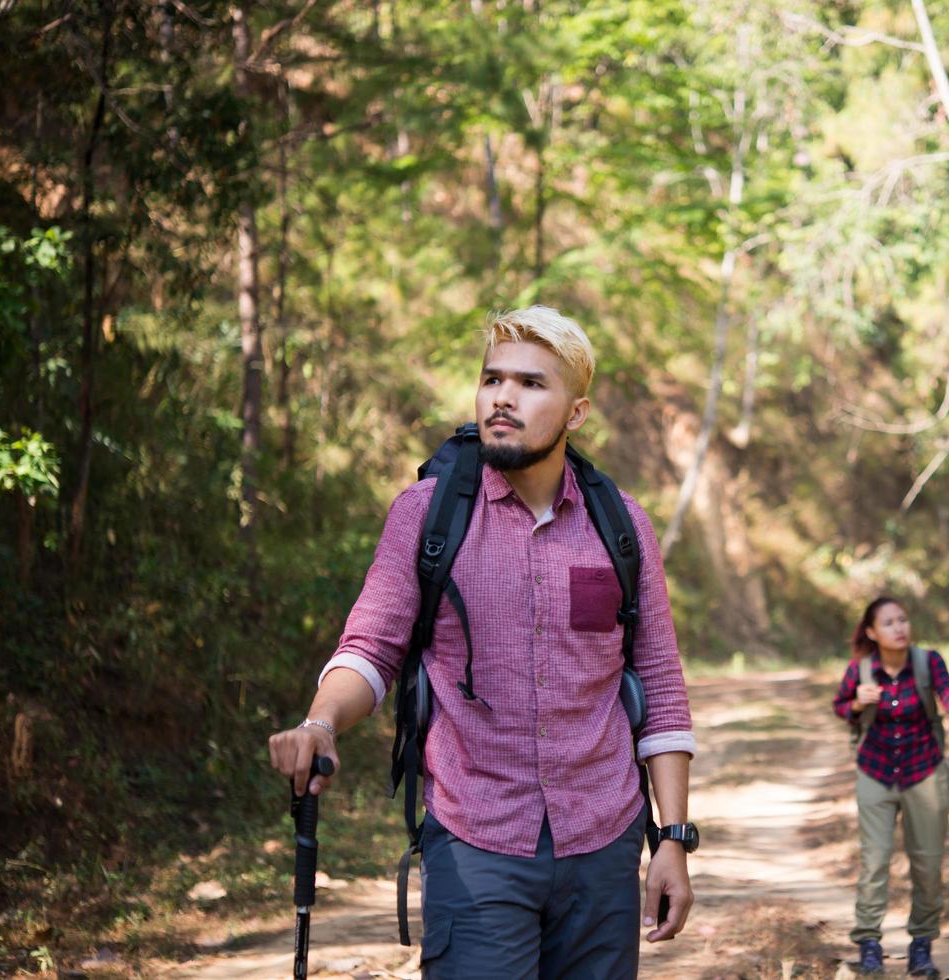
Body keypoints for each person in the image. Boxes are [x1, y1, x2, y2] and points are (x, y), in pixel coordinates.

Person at [268, 306, 699, 979]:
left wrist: (671, 839)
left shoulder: (621, 525)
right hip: (475, 839)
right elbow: (371, 649)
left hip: (604, 843)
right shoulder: (428, 514)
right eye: (492, 378)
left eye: (530, 384)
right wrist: (320, 722)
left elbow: (660, 688)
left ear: (575, 412)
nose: (503, 397)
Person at [832, 596, 949, 978]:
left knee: (927, 864)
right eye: (889, 622)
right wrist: (856, 704)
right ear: (872, 632)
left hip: (924, 771)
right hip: (875, 772)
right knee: (874, 861)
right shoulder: (861, 670)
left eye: (903, 620)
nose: (899, 628)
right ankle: (869, 945)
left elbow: (948, 692)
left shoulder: (928, 662)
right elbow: (839, 706)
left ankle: (921, 946)